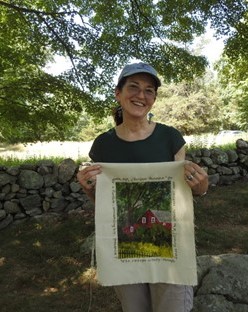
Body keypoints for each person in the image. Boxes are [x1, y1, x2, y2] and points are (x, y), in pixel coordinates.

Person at [74, 63, 209, 312]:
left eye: (149, 90)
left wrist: (201, 186)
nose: (141, 95)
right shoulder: (103, 145)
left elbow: (184, 193)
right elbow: (105, 202)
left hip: (170, 249)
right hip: (123, 248)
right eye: (133, 87)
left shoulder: (170, 138)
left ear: (154, 99)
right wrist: (89, 188)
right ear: (118, 93)